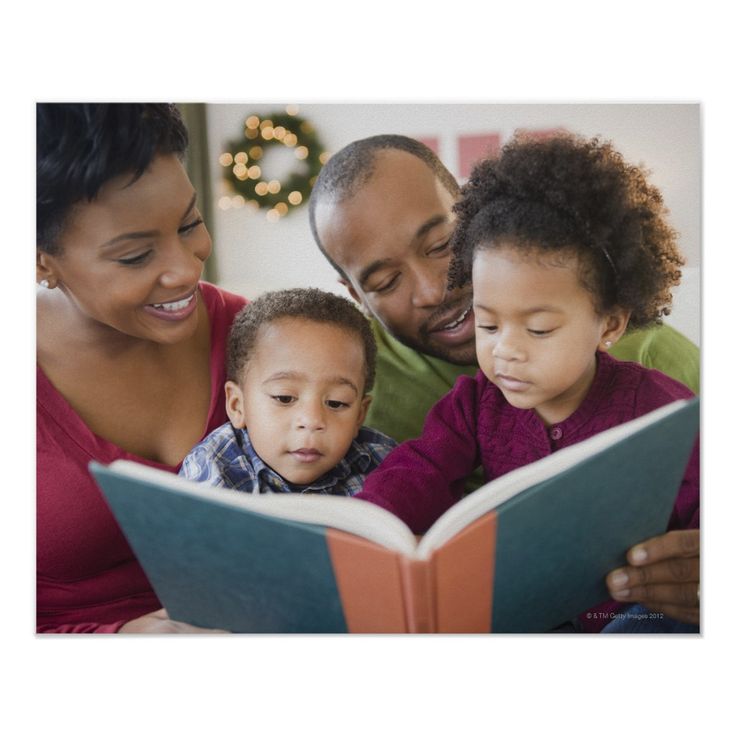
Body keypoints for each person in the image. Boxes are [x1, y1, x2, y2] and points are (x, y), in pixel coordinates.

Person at [309, 133, 700, 628]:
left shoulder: (662, 394)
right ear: (356, 295)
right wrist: (360, 531)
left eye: (442, 245)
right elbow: (419, 469)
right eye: (488, 324)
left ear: (610, 324)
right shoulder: (373, 379)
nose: (505, 349)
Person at [36, 103, 245, 633]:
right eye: (134, 257)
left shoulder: (257, 334)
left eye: (189, 223)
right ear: (41, 260)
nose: (185, 269)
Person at [180, 288, 396, 493]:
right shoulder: (215, 466)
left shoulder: (385, 462)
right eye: (284, 398)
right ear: (238, 405)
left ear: (359, 415)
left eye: (336, 403)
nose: (312, 421)